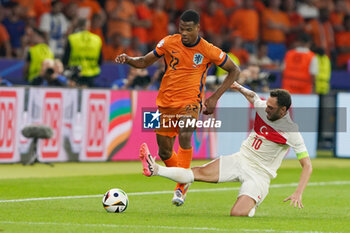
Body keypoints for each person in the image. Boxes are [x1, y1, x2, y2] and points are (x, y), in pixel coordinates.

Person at [115, 9, 240, 206]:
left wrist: (215, 97)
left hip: (191, 102)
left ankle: (181, 187)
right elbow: (145, 61)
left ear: (198, 28)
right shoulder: (168, 42)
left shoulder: (208, 49)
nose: (184, 33)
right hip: (165, 103)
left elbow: (234, 70)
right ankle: (185, 178)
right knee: (164, 152)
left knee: (185, 133)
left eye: (189, 29)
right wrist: (129, 59)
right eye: (181, 29)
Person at [139, 85, 313, 217]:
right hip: (240, 159)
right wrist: (237, 86)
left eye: (271, 108)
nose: (266, 109)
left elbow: (307, 165)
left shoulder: (292, 131)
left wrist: (298, 192)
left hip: (260, 174)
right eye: (267, 105)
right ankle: (154, 168)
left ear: (283, 110)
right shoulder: (263, 108)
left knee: (237, 214)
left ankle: (252, 206)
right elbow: (253, 96)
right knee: (195, 173)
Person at [62, 18, 102, 87]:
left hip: (75, 74)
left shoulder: (72, 38)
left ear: (78, 26)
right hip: (91, 74)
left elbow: (66, 59)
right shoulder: (97, 39)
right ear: (88, 26)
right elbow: (100, 60)